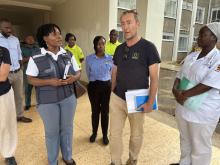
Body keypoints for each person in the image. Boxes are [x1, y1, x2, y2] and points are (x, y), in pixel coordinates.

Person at [110, 10, 161, 165]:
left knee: (136, 135)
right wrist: (111, 92)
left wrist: (150, 102)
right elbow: (115, 71)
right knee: (114, 134)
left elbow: (154, 78)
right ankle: (115, 161)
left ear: (137, 24)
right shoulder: (119, 49)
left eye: (129, 22)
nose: (125, 27)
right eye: (122, 23)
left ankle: (132, 159)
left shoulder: (148, 48)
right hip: (117, 98)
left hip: (137, 99)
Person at [26, 24, 81, 165]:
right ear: (45, 38)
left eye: (59, 33)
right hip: (47, 102)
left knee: (67, 129)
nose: (59, 36)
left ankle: (67, 157)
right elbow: (30, 79)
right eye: (54, 34)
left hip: (68, 98)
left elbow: (78, 72)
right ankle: (52, 161)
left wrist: (74, 78)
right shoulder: (36, 57)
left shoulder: (67, 54)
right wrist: (50, 81)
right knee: (52, 132)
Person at [171, 22, 220, 165]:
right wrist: (175, 90)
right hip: (183, 107)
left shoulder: (218, 59)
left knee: (200, 147)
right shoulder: (192, 55)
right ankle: (184, 163)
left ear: (213, 37)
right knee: (185, 141)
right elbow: (179, 75)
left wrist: (183, 95)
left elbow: (207, 85)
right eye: (199, 34)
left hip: (202, 112)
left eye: (202, 35)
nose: (198, 37)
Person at [0, 18, 32, 123]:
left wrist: (21, 67)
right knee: (5, 97)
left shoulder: (15, 39)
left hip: (18, 72)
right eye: (6, 28)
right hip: (4, 75)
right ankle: (6, 119)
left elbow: (19, 54)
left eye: (10, 27)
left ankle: (20, 115)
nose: (9, 30)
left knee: (19, 96)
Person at [86, 36, 113, 145]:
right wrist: (94, 82)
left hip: (106, 86)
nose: (101, 46)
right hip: (94, 86)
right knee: (95, 111)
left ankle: (105, 135)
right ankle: (94, 132)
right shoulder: (89, 58)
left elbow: (111, 72)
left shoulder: (110, 58)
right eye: (98, 44)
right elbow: (88, 73)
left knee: (105, 112)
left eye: (102, 43)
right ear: (95, 45)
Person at [0, 46, 17, 165]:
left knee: (7, 124)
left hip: (3, 94)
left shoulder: (2, 51)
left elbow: (2, 76)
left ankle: (8, 153)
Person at [21, 35, 39, 110]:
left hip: (38, 71)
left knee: (39, 88)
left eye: (32, 39)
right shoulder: (21, 49)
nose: (31, 40)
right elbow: (21, 60)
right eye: (28, 39)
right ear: (25, 40)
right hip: (27, 72)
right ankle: (28, 104)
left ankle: (40, 103)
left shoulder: (38, 47)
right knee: (28, 89)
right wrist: (31, 57)